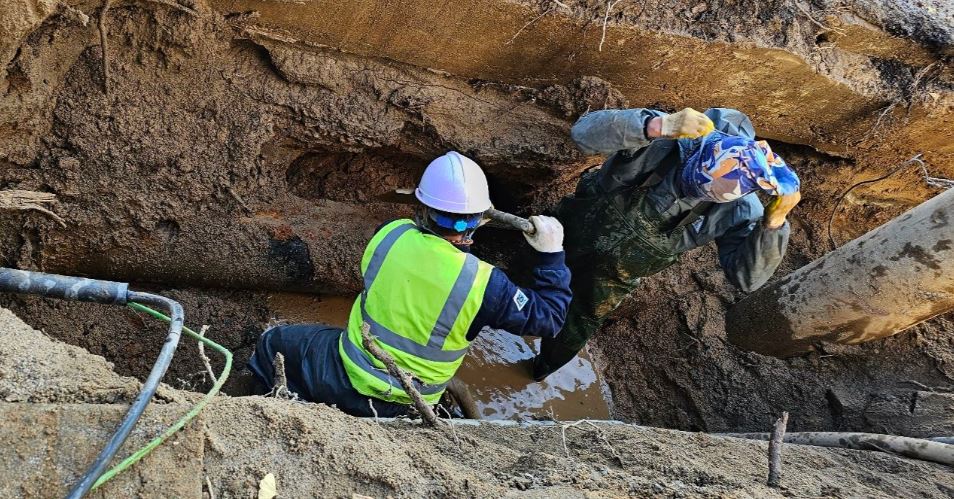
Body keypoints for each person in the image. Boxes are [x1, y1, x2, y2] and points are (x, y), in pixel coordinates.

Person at [248, 151, 572, 416]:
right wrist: (551, 256)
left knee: (273, 343)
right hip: (407, 401)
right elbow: (551, 319)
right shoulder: (485, 284)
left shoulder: (391, 233)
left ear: (423, 206)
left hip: (345, 372)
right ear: (480, 218)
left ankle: (267, 409)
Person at [531, 107, 801, 381]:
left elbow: (746, 278)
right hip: (565, 231)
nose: (699, 193)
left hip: (610, 277)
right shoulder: (668, 136)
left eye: (709, 196)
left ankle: (540, 370)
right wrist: (654, 126)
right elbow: (582, 134)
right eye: (697, 181)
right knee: (523, 277)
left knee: (574, 326)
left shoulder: (742, 209)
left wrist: (774, 224)